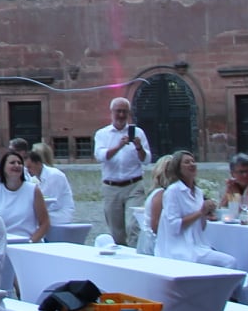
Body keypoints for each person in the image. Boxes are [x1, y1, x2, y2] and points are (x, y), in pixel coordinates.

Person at [153, 151, 234, 266]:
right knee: (229, 262)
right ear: (178, 168)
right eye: (186, 162)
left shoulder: (198, 192)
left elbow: (201, 227)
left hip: (198, 245)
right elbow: (173, 226)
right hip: (179, 249)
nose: (192, 164)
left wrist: (206, 214)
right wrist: (200, 212)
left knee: (228, 260)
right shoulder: (173, 191)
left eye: (193, 161)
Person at [93, 98, 150, 247]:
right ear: (111, 113)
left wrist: (138, 147)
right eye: (118, 111)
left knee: (134, 225)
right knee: (116, 231)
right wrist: (118, 146)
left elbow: (147, 160)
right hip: (111, 187)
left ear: (128, 113)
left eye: (124, 111)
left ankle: (136, 256)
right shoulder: (102, 134)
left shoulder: (138, 133)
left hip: (134, 185)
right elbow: (101, 156)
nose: (121, 114)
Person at [0, 148, 52, 243]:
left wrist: (31, 241)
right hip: (5, 244)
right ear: (3, 167)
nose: (17, 165)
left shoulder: (33, 190)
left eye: (19, 163)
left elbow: (45, 223)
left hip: (30, 243)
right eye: (12, 163)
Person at [26, 144, 75, 225]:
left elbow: (54, 203)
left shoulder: (54, 175)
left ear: (38, 163)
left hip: (60, 214)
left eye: (29, 167)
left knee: (29, 219)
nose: (27, 170)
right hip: (48, 212)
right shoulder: (33, 178)